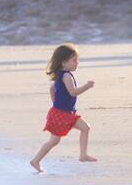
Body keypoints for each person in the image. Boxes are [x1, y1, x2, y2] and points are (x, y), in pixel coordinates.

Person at [29, 44, 96, 172]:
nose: (77, 63)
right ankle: (36, 160)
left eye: (77, 60)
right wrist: (87, 86)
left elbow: (52, 89)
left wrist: (56, 104)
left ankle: (82, 155)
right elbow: (73, 92)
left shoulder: (61, 75)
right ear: (64, 62)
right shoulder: (66, 76)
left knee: (82, 129)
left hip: (63, 113)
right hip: (63, 114)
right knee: (55, 140)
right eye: (74, 60)